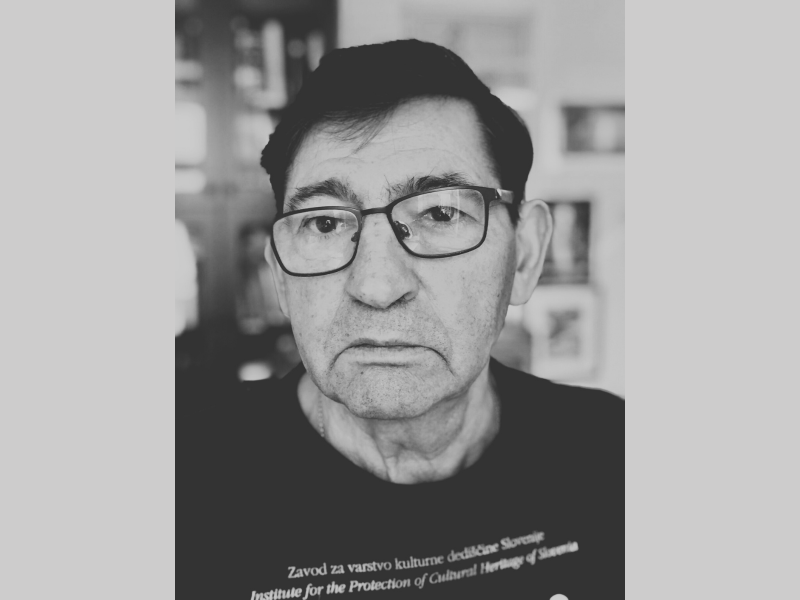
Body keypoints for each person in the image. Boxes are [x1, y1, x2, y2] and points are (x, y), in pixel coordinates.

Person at [180, 40, 622, 599]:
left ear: (525, 256)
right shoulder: (180, 484)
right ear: (280, 276)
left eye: (440, 212)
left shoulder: (614, 455)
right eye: (324, 224)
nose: (377, 286)